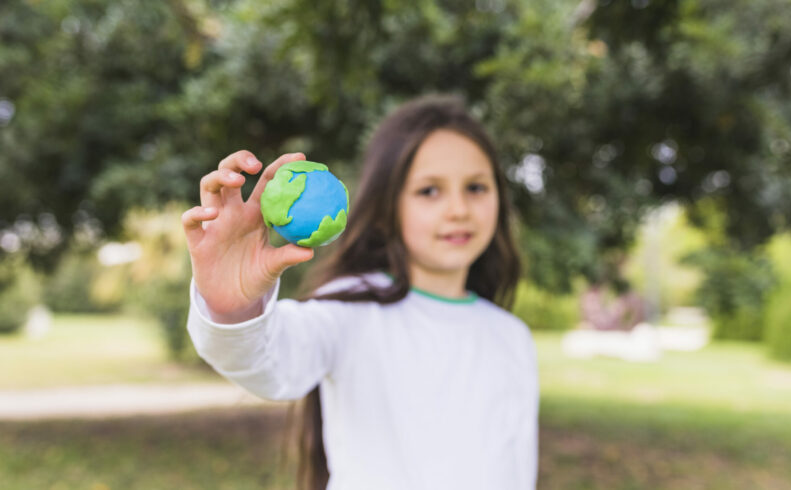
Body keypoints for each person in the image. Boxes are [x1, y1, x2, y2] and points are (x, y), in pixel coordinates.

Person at [182, 95, 539, 490]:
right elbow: (266, 363)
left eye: (475, 187)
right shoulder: (349, 309)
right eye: (429, 191)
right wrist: (233, 306)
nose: (458, 209)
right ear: (387, 206)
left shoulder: (512, 336)